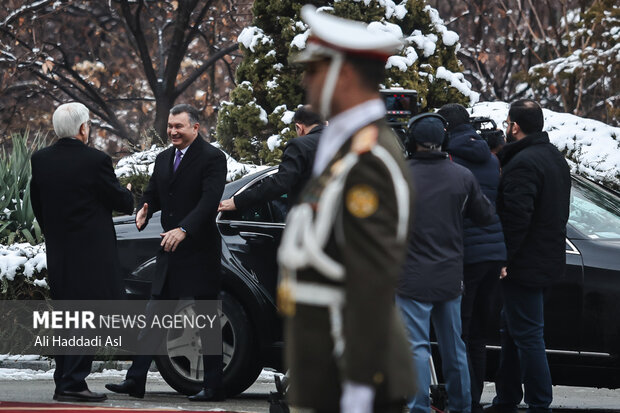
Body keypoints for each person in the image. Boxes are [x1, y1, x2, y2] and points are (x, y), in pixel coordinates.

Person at [277, 5, 416, 412]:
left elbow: (370, 280)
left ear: (347, 75)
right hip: (328, 372)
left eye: (316, 69)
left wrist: (358, 386)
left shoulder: (368, 159)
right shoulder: (344, 149)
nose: (306, 79)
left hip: (354, 378)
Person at [105, 104, 227, 401]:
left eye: (179, 126)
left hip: (198, 250)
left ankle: (212, 387)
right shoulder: (163, 158)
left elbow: (209, 202)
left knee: (207, 320)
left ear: (195, 128)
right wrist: (144, 208)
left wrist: (184, 229)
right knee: (155, 317)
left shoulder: (213, 158)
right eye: (170, 126)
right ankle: (135, 381)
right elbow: (155, 194)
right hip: (169, 251)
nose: (172, 131)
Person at [30, 102, 134, 402]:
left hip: (59, 250)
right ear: (82, 129)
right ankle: (74, 383)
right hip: (92, 252)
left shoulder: (41, 159)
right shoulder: (96, 160)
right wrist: (126, 190)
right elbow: (122, 201)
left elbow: (38, 202)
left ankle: (64, 380)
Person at [397, 113, 496, 413]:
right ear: (443, 141)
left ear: (412, 141)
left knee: (416, 347)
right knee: (455, 348)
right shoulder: (462, 176)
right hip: (450, 276)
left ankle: (418, 408)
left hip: (410, 276)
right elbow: (486, 215)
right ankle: (461, 406)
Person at [487, 100, 571, 413]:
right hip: (546, 260)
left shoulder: (523, 163)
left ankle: (539, 402)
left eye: (508, 122)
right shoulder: (552, 157)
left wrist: (504, 259)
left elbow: (516, 217)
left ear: (514, 126)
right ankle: (507, 397)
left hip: (525, 264)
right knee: (513, 329)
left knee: (528, 335)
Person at [438, 103, 507, 413]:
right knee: (479, 333)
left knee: (459, 333)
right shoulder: (491, 159)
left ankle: (461, 400)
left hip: (464, 253)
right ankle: (474, 399)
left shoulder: (449, 159)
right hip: (493, 253)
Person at [218, 105, 325, 212]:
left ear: (299, 127)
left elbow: (280, 183)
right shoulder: (339, 140)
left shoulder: (299, 145)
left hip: (310, 221)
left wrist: (238, 201)